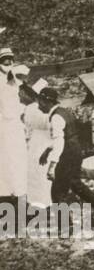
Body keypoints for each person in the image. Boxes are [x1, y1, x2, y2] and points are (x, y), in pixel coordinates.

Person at [0, 49, 28, 203]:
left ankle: (19, 193)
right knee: (5, 159)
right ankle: (6, 194)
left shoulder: (15, 78)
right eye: (4, 60)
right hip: (4, 125)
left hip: (16, 124)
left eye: (10, 60)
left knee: (18, 158)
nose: (8, 63)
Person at [23, 79, 54, 210]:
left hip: (37, 140)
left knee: (37, 172)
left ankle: (39, 201)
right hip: (43, 140)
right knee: (39, 171)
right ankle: (44, 201)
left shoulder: (29, 109)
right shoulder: (39, 109)